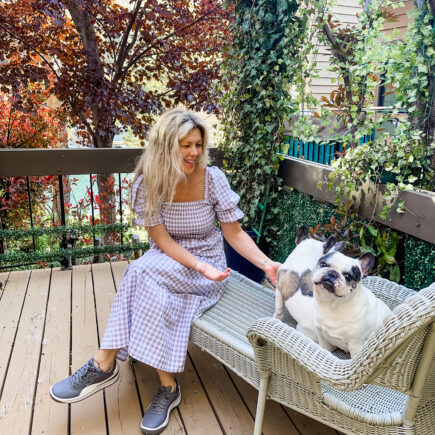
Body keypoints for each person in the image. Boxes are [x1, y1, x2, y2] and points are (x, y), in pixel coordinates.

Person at [49, 108, 281, 434]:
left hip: (209, 267)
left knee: (139, 273)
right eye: (185, 145)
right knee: (145, 279)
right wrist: (194, 264)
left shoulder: (212, 179)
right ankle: (168, 387)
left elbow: (234, 233)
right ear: (165, 146)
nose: (194, 152)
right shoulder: (149, 184)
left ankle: (104, 364)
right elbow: (161, 240)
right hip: (171, 259)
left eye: (198, 144)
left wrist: (266, 264)